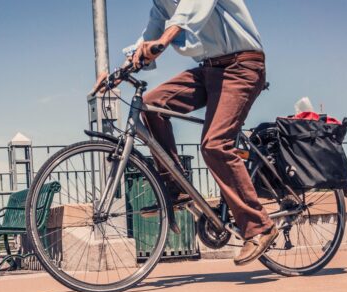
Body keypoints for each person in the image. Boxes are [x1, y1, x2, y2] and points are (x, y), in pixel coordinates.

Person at [94, 0, 277, 266]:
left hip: (243, 66)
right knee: (152, 105)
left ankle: (260, 227)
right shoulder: (161, 3)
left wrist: (166, 38)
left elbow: (190, 11)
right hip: (210, 68)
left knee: (215, 144)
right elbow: (150, 34)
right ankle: (176, 189)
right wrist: (119, 72)